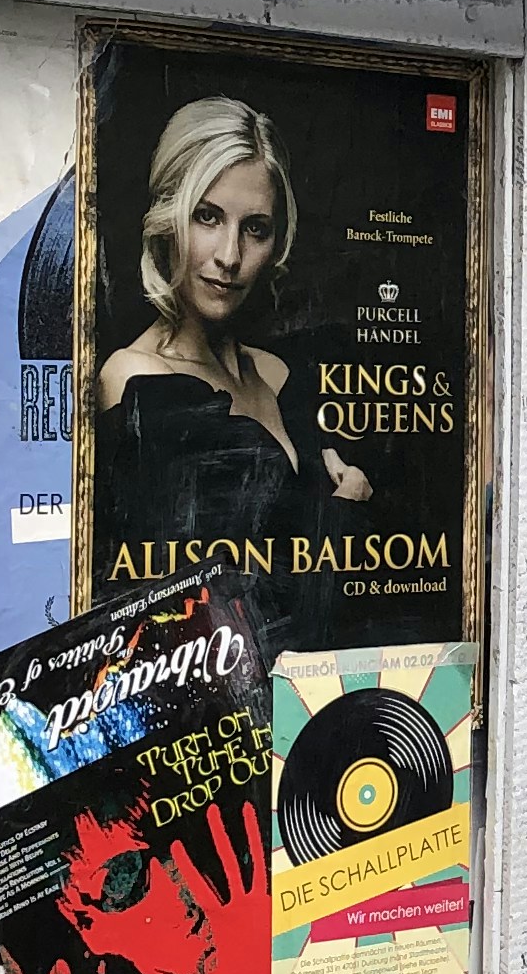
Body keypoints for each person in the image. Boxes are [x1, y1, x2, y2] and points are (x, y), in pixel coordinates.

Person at [92, 98, 371, 641]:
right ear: (167, 220)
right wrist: (344, 508)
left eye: (255, 229)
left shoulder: (277, 376)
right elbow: (206, 603)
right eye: (208, 217)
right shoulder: (134, 381)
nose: (229, 254)